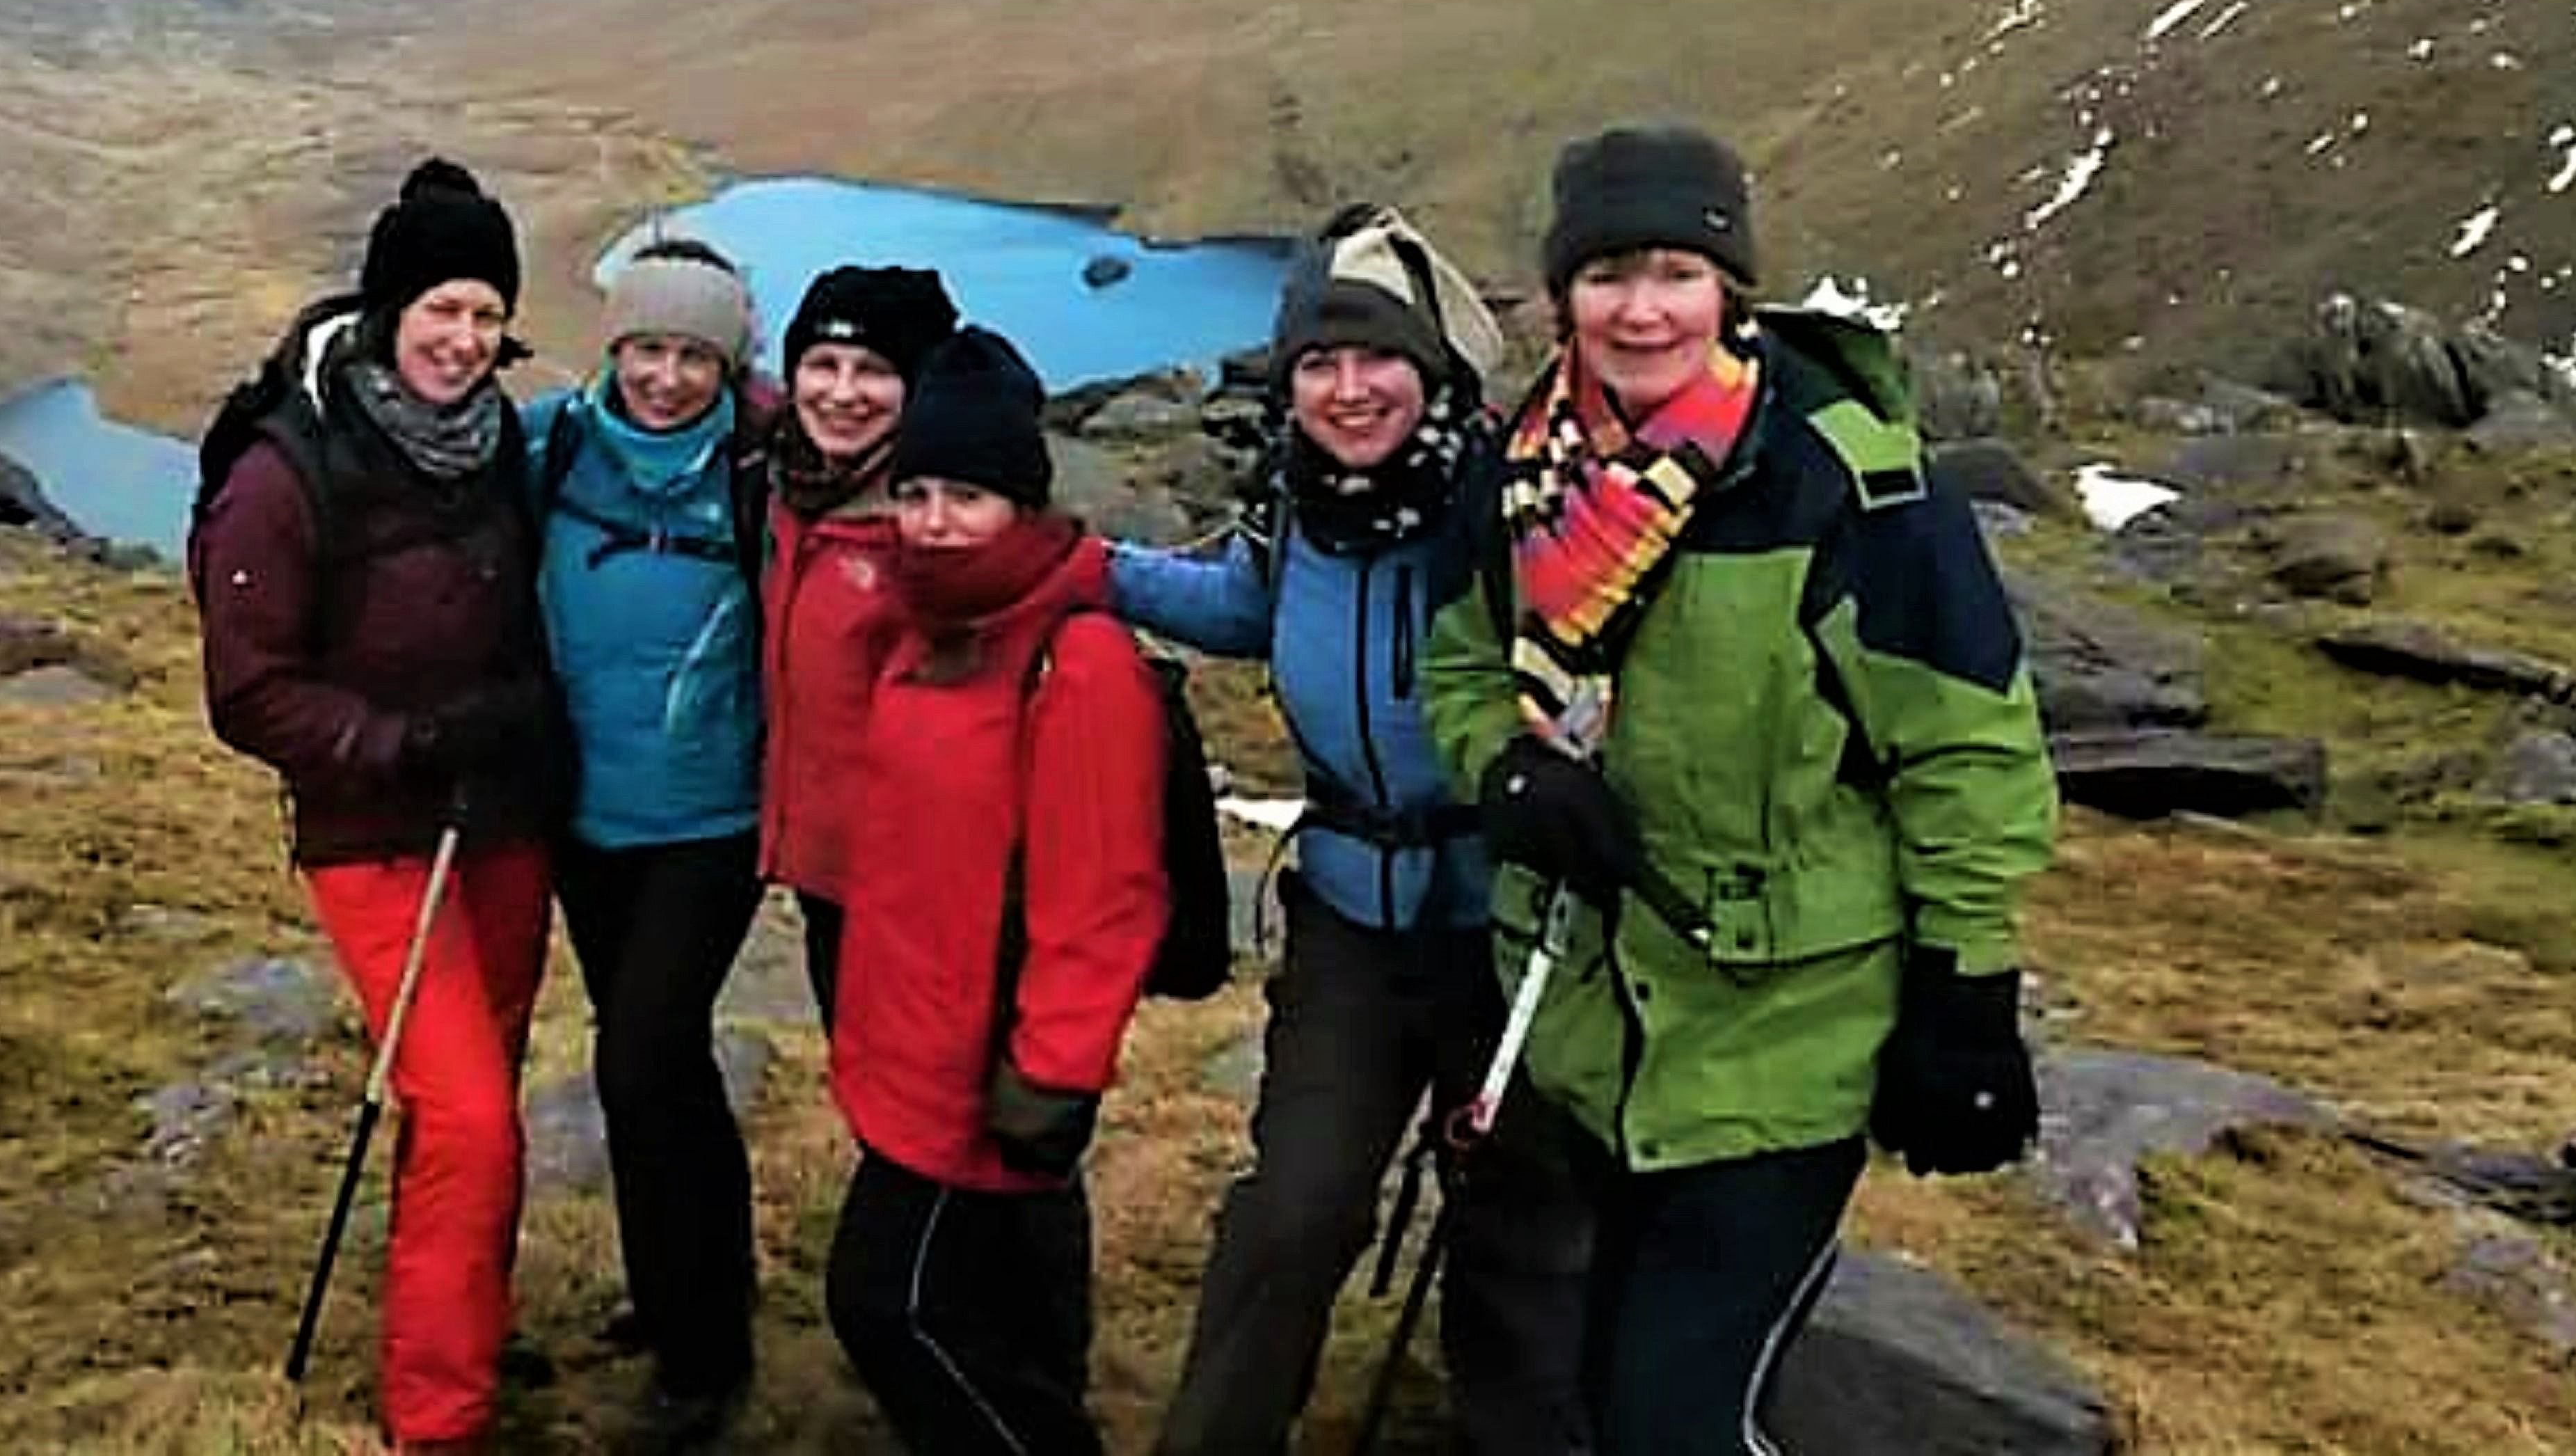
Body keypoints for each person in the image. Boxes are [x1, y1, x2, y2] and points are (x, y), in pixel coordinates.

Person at [1420, 125, 2057, 1456]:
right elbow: (1465, 665)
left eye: (1674, 272)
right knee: (1610, 1389)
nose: (1640, 309)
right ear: (1560, 296)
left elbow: (1967, 748)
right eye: (1605, 275)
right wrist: (1512, 770)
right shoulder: (1519, 468)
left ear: (1731, 291)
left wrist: (1967, 997)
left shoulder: (1842, 480)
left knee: (1673, 1419)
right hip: (1600, 1032)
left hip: (1786, 1032)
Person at [1111, 206, 1591, 1455]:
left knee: (1520, 1233)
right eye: (1318, 363)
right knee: (1295, 1209)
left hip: (1507, 923)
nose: (1346, 387)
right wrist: (1078, 565)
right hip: (1348, 921)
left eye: (1376, 357)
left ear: (1432, 367)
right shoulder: (1300, 506)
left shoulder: (1521, 509)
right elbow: (1243, 611)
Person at [194, 158, 568, 1456]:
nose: (464, 341)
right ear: (388, 309)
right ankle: (439, 1420)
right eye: (440, 312)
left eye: (485, 314)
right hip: (378, 827)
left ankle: (455, 1312)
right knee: (466, 1113)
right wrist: (402, 743)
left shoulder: (498, 439)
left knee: (482, 1107)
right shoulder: (289, 467)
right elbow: (246, 692)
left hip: (505, 816)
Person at [824, 326, 1174, 1456]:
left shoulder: (1077, 663)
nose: (929, 521)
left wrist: (1051, 1078)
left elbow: (1106, 897)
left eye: (964, 495)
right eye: (914, 491)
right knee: (994, 1327)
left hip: (987, 1073)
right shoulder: (921, 632)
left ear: (1023, 504)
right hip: (911, 1044)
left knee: (888, 1308)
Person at [518, 237, 773, 1452]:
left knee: (640, 1057)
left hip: (710, 819)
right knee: (662, 1074)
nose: (666, 377)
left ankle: (705, 1360)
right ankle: (688, 1287)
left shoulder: (765, 474)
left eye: (693, 354)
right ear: (611, 348)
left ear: (729, 363)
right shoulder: (552, 447)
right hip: (583, 815)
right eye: (646, 349)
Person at [752, 262, 960, 1026]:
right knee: (866, 1077)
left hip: (922, 887)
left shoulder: (940, 526)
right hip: (828, 869)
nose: (841, 393)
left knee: (933, 1105)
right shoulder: (788, 490)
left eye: (873, 371)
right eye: (822, 364)